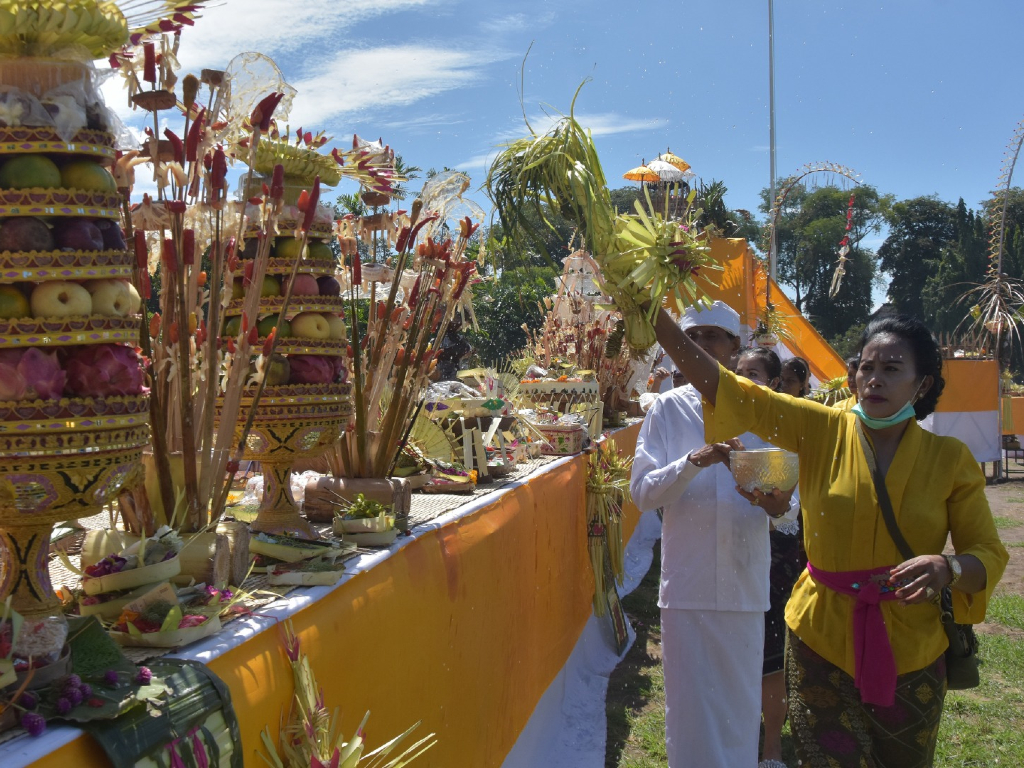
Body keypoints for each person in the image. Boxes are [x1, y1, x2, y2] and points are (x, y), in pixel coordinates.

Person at [652, 309, 1008, 767]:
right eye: (866, 367)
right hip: (819, 640)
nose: (874, 380)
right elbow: (732, 392)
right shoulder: (821, 429)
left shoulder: (950, 459)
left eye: (892, 369)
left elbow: (988, 555)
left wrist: (948, 567)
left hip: (912, 644)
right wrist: (655, 318)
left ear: (923, 384)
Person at [630, 302, 796, 768]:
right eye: (693, 336)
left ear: (734, 346)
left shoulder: (766, 408)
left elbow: (790, 505)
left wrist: (776, 506)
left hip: (745, 586)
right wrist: (691, 462)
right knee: (689, 710)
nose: (700, 347)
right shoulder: (666, 408)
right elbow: (642, 493)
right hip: (687, 586)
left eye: (712, 337)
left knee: (739, 709)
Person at [738, 348, 807, 768]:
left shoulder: (788, 425)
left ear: (775, 382)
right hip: (728, 552)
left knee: (770, 654)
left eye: (756, 374)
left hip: (776, 550)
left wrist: (777, 510)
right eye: (739, 372)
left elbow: (801, 494)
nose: (746, 380)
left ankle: (772, 748)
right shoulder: (715, 422)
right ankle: (736, 733)